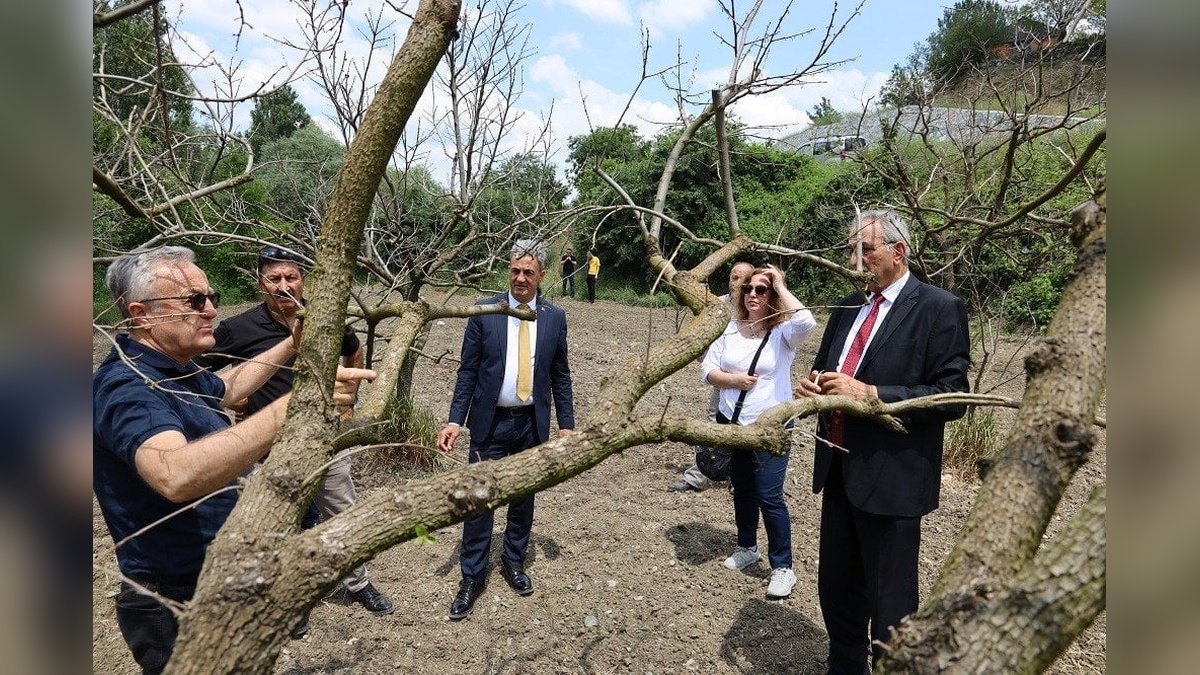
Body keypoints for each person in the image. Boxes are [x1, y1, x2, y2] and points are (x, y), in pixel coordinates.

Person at [93, 246, 374, 673]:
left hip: (214, 577)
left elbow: (227, 387)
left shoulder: (172, 368)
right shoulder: (130, 387)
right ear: (142, 313)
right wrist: (289, 410)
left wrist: (290, 344)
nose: (210, 311)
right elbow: (174, 474)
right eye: (194, 301)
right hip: (177, 598)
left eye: (212, 297)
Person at [794, 210, 970, 674]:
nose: (855, 260)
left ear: (899, 251)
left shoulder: (938, 308)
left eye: (864, 250)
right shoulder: (848, 305)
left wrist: (873, 394)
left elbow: (952, 397)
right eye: (850, 251)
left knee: (891, 603)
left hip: (893, 479)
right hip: (838, 468)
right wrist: (814, 387)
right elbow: (829, 369)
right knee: (837, 590)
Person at [195, 245, 394, 618]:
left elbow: (354, 350)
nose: (284, 285)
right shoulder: (238, 329)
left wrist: (350, 399)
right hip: (268, 447)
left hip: (325, 438)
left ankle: (359, 583)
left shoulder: (326, 318)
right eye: (274, 278)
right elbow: (195, 374)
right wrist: (234, 398)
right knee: (277, 523)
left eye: (291, 277)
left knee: (342, 513)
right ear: (261, 284)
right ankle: (288, 598)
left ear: (304, 281)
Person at [436, 239, 575, 620]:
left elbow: (560, 374)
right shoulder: (485, 311)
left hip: (531, 425)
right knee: (478, 501)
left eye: (529, 272)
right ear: (508, 270)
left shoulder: (555, 317)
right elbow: (467, 370)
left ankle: (514, 563)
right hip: (490, 423)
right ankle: (472, 576)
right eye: (515, 270)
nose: (520, 278)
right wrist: (454, 420)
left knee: (523, 499)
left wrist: (566, 425)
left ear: (542, 275)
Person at [701, 264, 816, 599]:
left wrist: (779, 281)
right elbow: (708, 368)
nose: (753, 294)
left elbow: (807, 321)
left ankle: (783, 567)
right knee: (743, 489)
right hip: (731, 421)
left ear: (773, 296)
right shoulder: (731, 328)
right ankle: (747, 545)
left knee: (770, 495)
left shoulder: (783, 333)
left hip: (770, 425)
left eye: (761, 290)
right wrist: (732, 381)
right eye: (749, 288)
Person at [670, 261, 755, 492]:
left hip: (753, 385)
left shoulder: (758, 308)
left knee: (748, 430)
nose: (733, 281)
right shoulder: (718, 304)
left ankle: (740, 481)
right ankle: (698, 477)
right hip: (723, 378)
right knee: (713, 424)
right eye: (731, 276)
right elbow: (702, 331)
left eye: (739, 278)